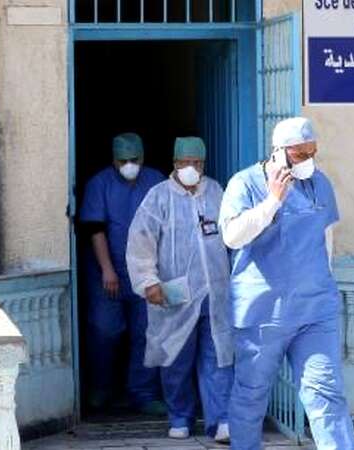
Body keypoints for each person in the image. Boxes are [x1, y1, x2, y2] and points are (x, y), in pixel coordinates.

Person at [219, 118, 354, 450]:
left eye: (312, 153)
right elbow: (232, 237)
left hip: (314, 309)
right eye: (299, 155)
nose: (308, 161)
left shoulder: (320, 183)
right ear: (278, 152)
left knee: (326, 393)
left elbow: (326, 240)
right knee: (251, 395)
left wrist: (323, 283)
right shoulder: (244, 183)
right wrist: (272, 201)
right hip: (262, 312)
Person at [126, 137, 234, 442]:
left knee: (219, 355)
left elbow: (232, 234)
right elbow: (140, 240)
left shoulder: (215, 192)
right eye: (185, 162)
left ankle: (221, 420)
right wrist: (148, 281)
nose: (191, 168)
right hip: (174, 294)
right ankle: (179, 416)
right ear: (174, 163)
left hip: (215, 293)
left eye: (197, 163)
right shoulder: (158, 197)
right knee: (176, 357)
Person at [79, 132, 166, 415]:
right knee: (105, 330)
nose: (129, 165)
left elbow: (168, 226)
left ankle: (144, 393)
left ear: (143, 157)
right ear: (113, 160)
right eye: (123, 160)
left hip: (146, 271)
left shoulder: (156, 181)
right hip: (108, 270)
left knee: (147, 332)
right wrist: (107, 269)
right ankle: (101, 388)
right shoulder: (100, 184)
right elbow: (95, 228)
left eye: (135, 159)